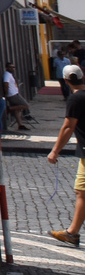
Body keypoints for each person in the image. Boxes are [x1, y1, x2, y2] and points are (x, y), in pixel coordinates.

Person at [47, 63, 85, 247]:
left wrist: (55, 151)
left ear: (66, 80)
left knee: (82, 192)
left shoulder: (75, 99)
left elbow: (68, 127)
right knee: (82, 191)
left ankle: (72, 233)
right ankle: (73, 232)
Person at [3, 62, 34, 132]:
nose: (13, 68)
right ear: (7, 68)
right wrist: (6, 94)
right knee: (26, 105)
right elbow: (6, 84)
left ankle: (20, 125)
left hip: (15, 93)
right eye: (11, 67)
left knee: (17, 110)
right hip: (12, 94)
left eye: (14, 67)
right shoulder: (7, 75)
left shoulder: (10, 75)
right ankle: (9, 109)